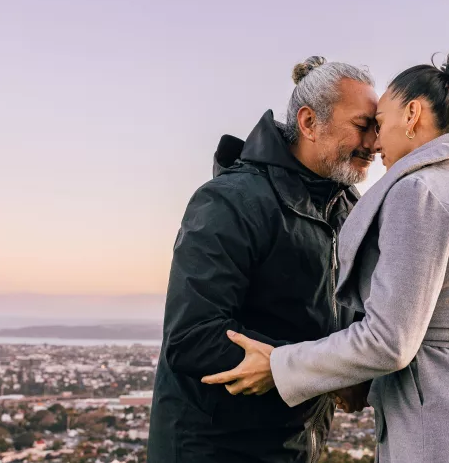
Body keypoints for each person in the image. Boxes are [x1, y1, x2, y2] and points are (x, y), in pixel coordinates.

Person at [202, 48, 449, 462]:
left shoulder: (421, 192)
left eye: (379, 123)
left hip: (448, 431)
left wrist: (279, 366)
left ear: (412, 114)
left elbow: (389, 340)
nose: (376, 142)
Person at [148, 56, 378, 463]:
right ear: (308, 123)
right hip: (213, 447)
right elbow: (192, 336)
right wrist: (323, 372)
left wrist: (355, 373)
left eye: (377, 128)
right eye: (363, 125)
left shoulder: (349, 209)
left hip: (293, 444)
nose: (374, 143)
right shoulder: (230, 200)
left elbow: (352, 318)